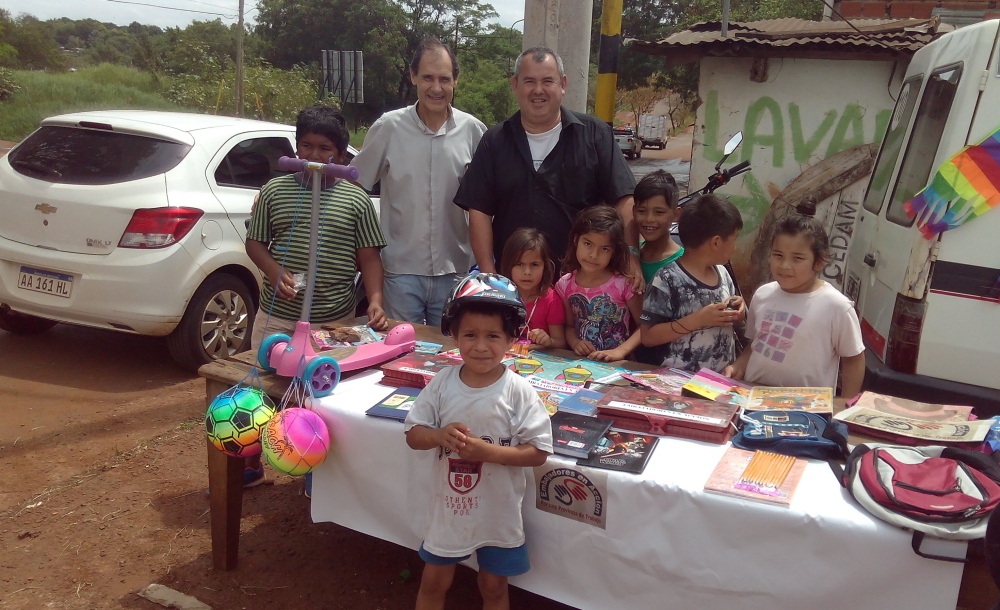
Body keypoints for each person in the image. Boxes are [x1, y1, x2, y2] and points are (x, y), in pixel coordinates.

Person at [244, 105, 386, 488]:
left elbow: (369, 256)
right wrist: (275, 273)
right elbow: (255, 243)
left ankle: (312, 468)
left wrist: (374, 300)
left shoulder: (355, 201)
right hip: (278, 317)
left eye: (325, 149)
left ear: (341, 156)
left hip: (332, 322)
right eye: (305, 146)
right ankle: (251, 462)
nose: (314, 156)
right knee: (261, 388)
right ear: (295, 147)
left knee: (321, 396)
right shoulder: (275, 191)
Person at [404, 272, 552, 610]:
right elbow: (413, 434)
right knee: (433, 582)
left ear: (512, 339)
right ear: (454, 335)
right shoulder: (442, 383)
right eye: (470, 334)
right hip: (449, 511)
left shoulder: (518, 391)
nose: (481, 346)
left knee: (494, 587)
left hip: (497, 513)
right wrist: (438, 435)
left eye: (493, 336)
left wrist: (489, 452)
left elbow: (539, 452)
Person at [454, 46, 641, 288]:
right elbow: (479, 209)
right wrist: (490, 277)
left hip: (582, 284)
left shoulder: (594, 135)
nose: (538, 90)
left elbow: (624, 197)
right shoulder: (495, 141)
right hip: (515, 285)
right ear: (515, 85)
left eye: (547, 81)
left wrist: (631, 255)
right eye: (529, 81)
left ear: (562, 84)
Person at [351, 37, 487, 328]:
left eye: (444, 79)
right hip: (399, 273)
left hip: (455, 272)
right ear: (413, 76)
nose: (436, 88)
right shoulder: (388, 127)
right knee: (400, 355)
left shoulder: (474, 132)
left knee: (450, 356)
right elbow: (354, 185)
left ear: (455, 81)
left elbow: (490, 201)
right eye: (427, 77)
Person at [724, 198, 865, 397]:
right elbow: (755, 344)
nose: (784, 266)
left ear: (819, 261)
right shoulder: (763, 294)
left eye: (797, 258)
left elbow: (854, 359)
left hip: (808, 409)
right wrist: (738, 366)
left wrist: (845, 408)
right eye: (778, 255)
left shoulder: (837, 306)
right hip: (753, 398)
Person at [638, 194, 745, 371]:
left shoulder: (722, 273)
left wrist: (737, 312)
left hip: (719, 380)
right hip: (677, 382)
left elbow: (735, 324)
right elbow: (648, 336)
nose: (735, 248)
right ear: (716, 242)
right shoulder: (667, 279)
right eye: (734, 240)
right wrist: (697, 320)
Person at [555, 206, 643, 362]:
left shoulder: (625, 283)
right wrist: (576, 343)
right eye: (588, 244)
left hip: (618, 366)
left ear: (614, 251)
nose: (593, 255)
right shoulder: (565, 284)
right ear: (576, 239)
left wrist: (620, 351)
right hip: (581, 364)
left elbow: (645, 327)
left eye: (604, 249)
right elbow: (569, 326)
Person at [499, 228, 566, 349]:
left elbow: (561, 342)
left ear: (545, 267)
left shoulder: (551, 300)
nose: (527, 272)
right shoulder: (500, 296)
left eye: (534, 265)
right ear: (508, 265)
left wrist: (548, 341)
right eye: (519, 264)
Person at [634, 170, 682, 284]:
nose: (649, 219)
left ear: (676, 215)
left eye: (659, 212)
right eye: (641, 211)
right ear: (633, 211)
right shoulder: (630, 257)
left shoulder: (683, 264)